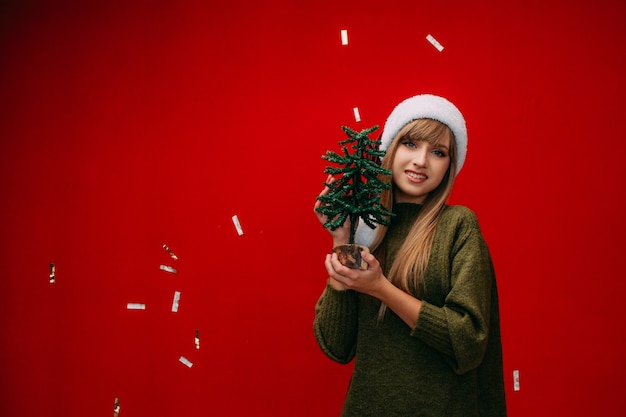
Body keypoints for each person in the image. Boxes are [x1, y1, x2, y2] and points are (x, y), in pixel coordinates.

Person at [313, 94, 507, 416]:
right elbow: (336, 346)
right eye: (411, 144)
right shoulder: (367, 229)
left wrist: (380, 288)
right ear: (391, 148)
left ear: (449, 165)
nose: (421, 161)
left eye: (438, 152)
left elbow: (468, 342)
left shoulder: (458, 225)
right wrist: (342, 241)